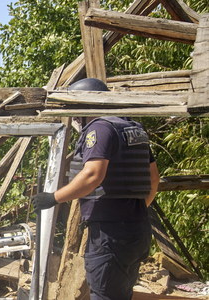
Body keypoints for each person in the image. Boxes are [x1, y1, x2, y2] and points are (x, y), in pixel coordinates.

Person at [32, 78, 160, 300]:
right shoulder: (133, 128)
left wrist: (53, 197)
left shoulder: (100, 128)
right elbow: (154, 180)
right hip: (137, 229)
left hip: (110, 234)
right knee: (121, 294)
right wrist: (133, 210)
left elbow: (93, 174)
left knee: (104, 295)